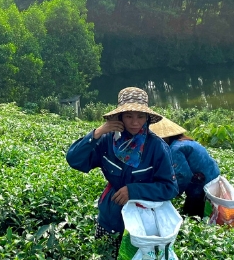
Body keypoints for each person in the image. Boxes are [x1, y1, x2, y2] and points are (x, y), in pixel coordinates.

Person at [66, 87, 177, 242]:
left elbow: (170, 188)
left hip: (141, 223)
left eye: (140, 116)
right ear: (120, 117)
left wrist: (133, 191)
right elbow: (74, 159)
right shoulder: (107, 141)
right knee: (104, 259)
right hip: (110, 215)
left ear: (147, 118)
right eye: (129, 116)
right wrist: (97, 133)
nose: (135, 122)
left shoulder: (157, 147)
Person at [151, 116, 220, 217]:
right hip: (212, 177)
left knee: (192, 215)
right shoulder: (184, 141)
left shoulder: (175, 149)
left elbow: (183, 176)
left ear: (164, 138)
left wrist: (171, 192)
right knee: (193, 211)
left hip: (203, 184)